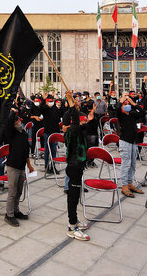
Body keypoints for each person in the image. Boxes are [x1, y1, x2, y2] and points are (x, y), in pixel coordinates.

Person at [63, 91, 90, 240]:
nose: (85, 122)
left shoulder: (80, 133)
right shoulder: (74, 133)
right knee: (72, 197)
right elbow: (73, 118)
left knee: (76, 195)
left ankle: (75, 220)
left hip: (78, 166)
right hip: (73, 166)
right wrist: (70, 100)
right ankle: (72, 226)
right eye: (83, 120)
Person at [3, 109, 34, 227]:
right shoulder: (11, 133)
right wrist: (11, 111)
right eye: (16, 121)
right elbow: (9, 120)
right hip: (12, 166)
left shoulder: (24, 134)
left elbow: (26, 151)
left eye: (18, 121)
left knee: (19, 191)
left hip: (22, 166)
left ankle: (16, 210)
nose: (18, 123)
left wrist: (29, 165)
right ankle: (9, 215)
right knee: (12, 191)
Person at [116, 92, 144, 197]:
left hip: (133, 141)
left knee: (133, 163)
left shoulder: (132, 114)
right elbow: (117, 108)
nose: (127, 105)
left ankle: (130, 183)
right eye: (125, 104)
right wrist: (122, 100)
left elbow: (143, 112)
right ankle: (124, 185)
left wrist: (133, 103)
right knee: (126, 163)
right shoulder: (121, 115)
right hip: (125, 141)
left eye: (128, 104)